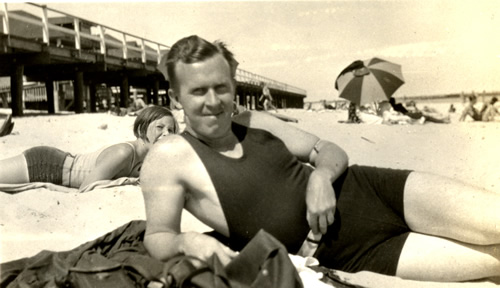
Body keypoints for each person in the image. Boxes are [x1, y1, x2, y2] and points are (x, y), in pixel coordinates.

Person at [140, 35, 500, 282]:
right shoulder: (169, 156)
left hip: (372, 191)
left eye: (221, 87)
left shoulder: (254, 121)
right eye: (198, 91)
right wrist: (187, 242)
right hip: (348, 252)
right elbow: (158, 235)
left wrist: (321, 177)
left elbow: (326, 149)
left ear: (233, 86)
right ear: (176, 96)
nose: (213, 101)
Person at [0, 106, 178, 192]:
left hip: (55, 169)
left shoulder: (150, 158)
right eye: (159, 127)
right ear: (142, 128)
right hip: (46, 165)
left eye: (171, 130)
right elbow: (87, 187)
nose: (166, 134)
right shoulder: (124, 152)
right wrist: (127, 181)